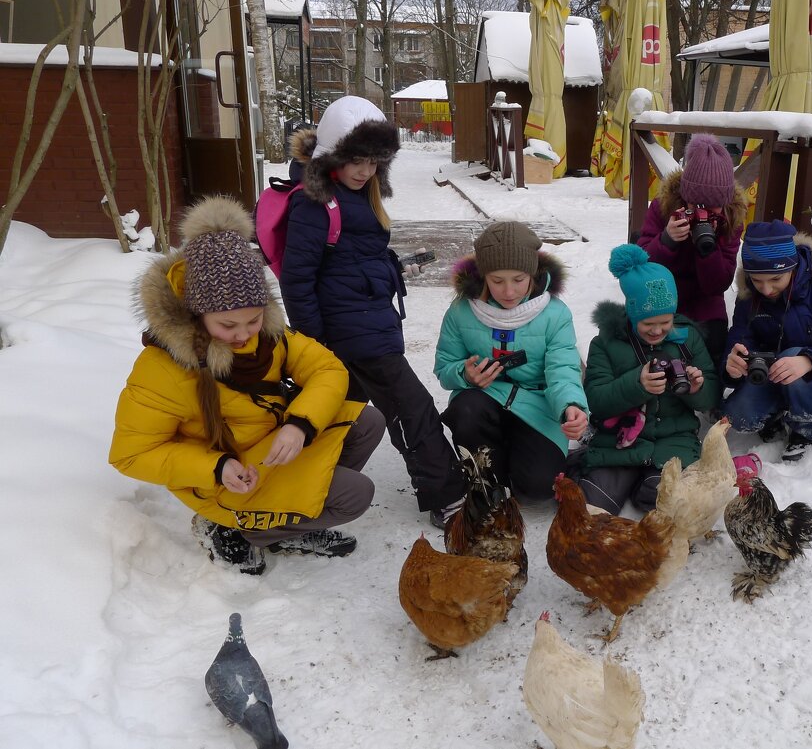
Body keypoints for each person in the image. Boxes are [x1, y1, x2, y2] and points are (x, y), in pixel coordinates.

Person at [109, 197, 385, 575]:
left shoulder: (269, 335)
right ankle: (240, 530)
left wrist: (299, 424)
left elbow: (328, 370)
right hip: (230, 478)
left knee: (368, 423)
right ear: (196, 314)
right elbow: (131, 454)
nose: (243, 335)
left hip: (269, 449)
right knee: (356, 494)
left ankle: (290, 512)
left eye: (253, 320)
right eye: (228, 326)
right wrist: (216, 466)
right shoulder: (163, 368)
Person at [278, 95, 466, 527]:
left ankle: (303, 488)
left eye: (375, 161)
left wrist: (390, 269)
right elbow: (297, 278)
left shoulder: (358, 195)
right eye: (356, 160)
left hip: (365, 321)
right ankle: (450, 497)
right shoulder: (314, 203)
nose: (364, 171)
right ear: (331, 156)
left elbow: (352, 257)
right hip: (349, 331)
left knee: (338, 415)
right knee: (412, 408)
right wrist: (315, 343)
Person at [434, 221, 589, 507]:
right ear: (483, 276)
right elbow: (444, 366)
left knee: (538, 489)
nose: (508, 292)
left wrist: (571, 405)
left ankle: (523, 458)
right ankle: (486, 478)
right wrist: (464, 374)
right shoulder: (461, 310)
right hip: (484, 401)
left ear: (533, 273)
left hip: (537, 406)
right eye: (497, 280)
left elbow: (562, 368)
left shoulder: (554, 314)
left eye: (518, 279)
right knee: (465, 409)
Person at [579, 244, 720, 514]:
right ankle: (627, 480)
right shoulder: (606, 342)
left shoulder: (687, 339)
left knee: (670, 503)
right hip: (618, 442)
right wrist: (637, 385)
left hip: (673, 440)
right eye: (647, 324)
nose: (657, 331)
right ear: (632, 315)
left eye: (665, 322)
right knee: (593, 506)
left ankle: (644, 485)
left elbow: (711, 395)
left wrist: (695, 389)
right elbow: (595, 400)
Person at [722, 220, 812, 463]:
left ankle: (807, 427)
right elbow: (739, 339)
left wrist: (809, 361)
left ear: (792, 267)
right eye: (758, 281)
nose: (767, 289)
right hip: (773, 373)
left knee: (793, 354)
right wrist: (733, 364)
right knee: (738, 417)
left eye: (776, 279)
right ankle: (776, 415)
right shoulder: (749, 295)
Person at [636, 132, 747, 367]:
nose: (703, 213)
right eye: (697, 206)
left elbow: (718, 285)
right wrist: (667, 240)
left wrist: (707, 247)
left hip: (704, 300)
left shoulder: (731, 219)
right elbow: (641, 265)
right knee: (649, 346)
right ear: (684, 197)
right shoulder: (662, 208)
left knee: (713, 342)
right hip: (662, 295)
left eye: (712, 207)